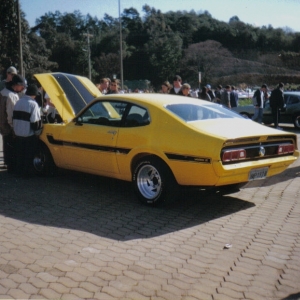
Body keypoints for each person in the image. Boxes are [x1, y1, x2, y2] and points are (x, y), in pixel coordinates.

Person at [13, 84, 42, 177]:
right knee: (28, 156)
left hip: (18, 134)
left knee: (19, 155)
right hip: (28, 135)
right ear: (33, 94)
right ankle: (27, 174)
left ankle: (19, 173)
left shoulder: (18, 102)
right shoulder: (33, 104)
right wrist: (38, 133)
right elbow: (35, 122)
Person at [0, 74, 26, 172]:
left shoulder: (3, 92)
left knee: (7, 145)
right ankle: (12, 167)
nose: (23, 88)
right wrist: (14, 128)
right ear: (16, 85)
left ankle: (9, 164)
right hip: (9, 126)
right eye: (21, 86)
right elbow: (11, 114)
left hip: (3, 125)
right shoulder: (10, 96)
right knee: (11, 147)